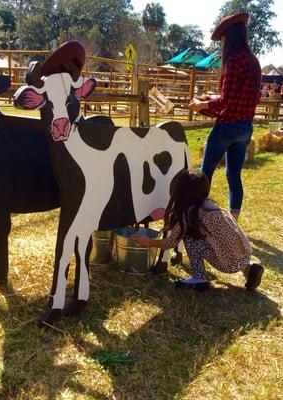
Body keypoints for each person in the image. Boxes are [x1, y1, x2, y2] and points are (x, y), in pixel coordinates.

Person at [132, 169, 264, 291]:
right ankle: (249, 271)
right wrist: (174, 225)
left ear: (180, 191)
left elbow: (171, 242)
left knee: (191, 238)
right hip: (245, 256)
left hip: (228, 265)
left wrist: (149, 242)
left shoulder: (188, 214)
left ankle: (199, 278)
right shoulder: (209, 205)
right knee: (214, 240)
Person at [188, 12, 261, 222]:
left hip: (227, 127)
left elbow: (227, 99)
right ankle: (234, 222)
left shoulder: (233, 61)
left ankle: (197, 216)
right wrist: (213, 100)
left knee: (205, 173)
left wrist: (202, 103)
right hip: (245, 127)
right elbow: (244, 97)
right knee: (233, 175)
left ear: (229, 37)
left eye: (223, 38)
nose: (222, 43)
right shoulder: (253, 61)